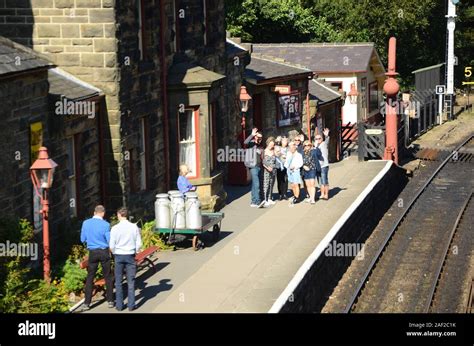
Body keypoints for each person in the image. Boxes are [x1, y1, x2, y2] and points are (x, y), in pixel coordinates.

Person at [80, 205, 114, 311]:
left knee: (90, 277)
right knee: (107, 276)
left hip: (92, 252)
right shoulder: (106, 225)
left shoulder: (86, 223)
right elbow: (109, 240)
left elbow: (82, 239)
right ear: (103, 213)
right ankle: (110, 301)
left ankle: (87, 303)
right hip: (103, 252)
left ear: (94, 212)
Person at [109, 207, 142, 312]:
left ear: (119, 215)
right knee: (130, 281)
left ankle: (119, 305)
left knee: (118, 281)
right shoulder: (134, 227)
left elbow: (111, 245)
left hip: (118, 255)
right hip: (130, 255)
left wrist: (115, 252)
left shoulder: (114, 228)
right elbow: (139, 243)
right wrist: (136, 250)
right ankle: (131, 305)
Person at [177, 164, 199, 249]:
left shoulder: (184, 178)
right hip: (185, 198)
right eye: (186, 171)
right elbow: (183, 189)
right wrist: (190, 189)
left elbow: (188, 185)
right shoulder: (181, 179)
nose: (187, 173)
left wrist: (192, 187)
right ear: (183, 171)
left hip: (189, 197)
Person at [244, 128, 263, 207]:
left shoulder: (260, 146)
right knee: (257, 184)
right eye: (258, 137)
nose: (259, 139)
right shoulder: (251, 143)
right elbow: (245, 142)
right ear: (255, 137)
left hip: (259, 166)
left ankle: (253, 201)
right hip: (253, 167)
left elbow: (261, 157)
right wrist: (252, 134)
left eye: (261, 138)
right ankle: (257, 201)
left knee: (255, 185)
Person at [285, 141, 303, 206]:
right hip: (289, 171)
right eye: (290, 147)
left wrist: (294, 167)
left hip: (295, 171)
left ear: (295, 147)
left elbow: (301, 163)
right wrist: (288, 167)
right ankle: (295, 195)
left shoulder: (299, 155)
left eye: (292, 147)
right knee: (292, 185)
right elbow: (286, 162)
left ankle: (297, 197)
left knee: (296, 184)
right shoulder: (288, 154)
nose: (291, 148)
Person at [315, 128, 330, 200]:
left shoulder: (323, 144)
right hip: (318, 166)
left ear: (322, 138)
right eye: (316, 139)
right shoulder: (316, 146)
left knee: (324, 180)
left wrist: (327, 136)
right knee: (320, 181)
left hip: (324, 165)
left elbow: (327, 141)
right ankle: (322, 194)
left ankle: (326, 195)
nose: (318, 140)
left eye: (319, 138)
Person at [261, 136, 276, 207]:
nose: (271, 146)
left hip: (273, 170)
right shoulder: (264, 151)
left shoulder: (274, 151)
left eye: (273, 144)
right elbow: (263, 162)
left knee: (271, 184)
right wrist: (267, 167)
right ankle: (265, 199)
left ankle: (270, 198)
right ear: (268, 143)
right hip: (266, 170)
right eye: (270, 144)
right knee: (266, 185)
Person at [275, 136, 288, 200]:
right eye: (284, 141)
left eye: (286, 141)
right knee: (279, 180)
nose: (286, 142)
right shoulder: (277, 147)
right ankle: (280, 194)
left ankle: (285, 194)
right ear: (281, 141)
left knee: (285, 180)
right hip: (279, 166)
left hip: (286, 167)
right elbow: (276, 154)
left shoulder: (288, 148)